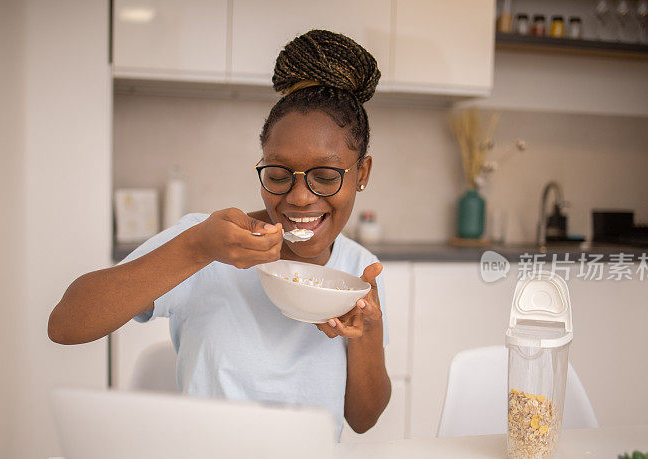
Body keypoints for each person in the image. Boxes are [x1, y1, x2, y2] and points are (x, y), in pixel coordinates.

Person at [48, 29, 391, 437]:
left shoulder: (358, 271)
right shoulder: (208, 241)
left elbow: (363, 419)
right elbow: (65, 325)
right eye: (279, 175)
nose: (300, 197)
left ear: (362, 174)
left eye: (325, 176)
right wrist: (196, 248)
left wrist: (368, 332)